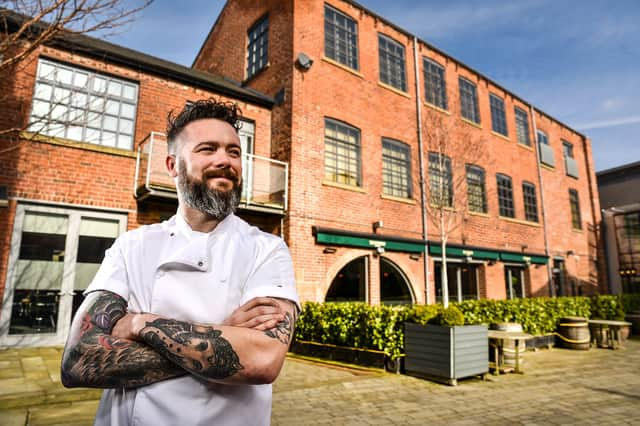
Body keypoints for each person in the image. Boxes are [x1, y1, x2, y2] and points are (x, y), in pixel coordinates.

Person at [61, 99, 299, 426]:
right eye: (207, 149)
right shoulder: (132, 245)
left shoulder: (267, 250)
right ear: (173, 165)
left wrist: (138, 324)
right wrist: (227, 341)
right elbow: (78, 360)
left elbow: (263, 360)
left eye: (233, 151)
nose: (225, 160)